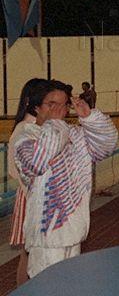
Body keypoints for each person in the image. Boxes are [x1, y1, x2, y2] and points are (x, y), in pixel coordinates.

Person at [14, 80, 118, 278]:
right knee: (48, 287)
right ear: (36, 107)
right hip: (46, 237)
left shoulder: (75, 134)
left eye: (63, 104)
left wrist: (89, 117)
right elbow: (39, 161)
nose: (59, 110)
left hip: (74, 231)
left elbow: (106, 145)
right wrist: (56, 123)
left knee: (72, 285)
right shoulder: (25, 138)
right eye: (51, 104)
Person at [7, 78, 48, 287]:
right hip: (32, 197)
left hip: (40, 195)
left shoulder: (39, 127)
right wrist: (33, 192)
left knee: (34, 253)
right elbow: (13, 170)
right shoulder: (24, 129)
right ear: (35, 104)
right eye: (49, 102)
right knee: (28, 253)